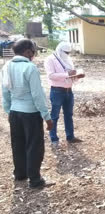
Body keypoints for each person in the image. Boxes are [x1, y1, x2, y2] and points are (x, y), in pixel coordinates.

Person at [1, 39, 54, 188]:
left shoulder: (6, 66)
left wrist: (9, 111)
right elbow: (37, 95)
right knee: (34, 146)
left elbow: (5, 92)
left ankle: (20, 174)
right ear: (27, 51)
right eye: (33, 51)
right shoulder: (30, 68)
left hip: (15, 112)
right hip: (30, 113)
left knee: (18, 144)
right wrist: (47, 117)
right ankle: (35, 180)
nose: (34, 54)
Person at [44, 42, 85, 146]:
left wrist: (77, 76)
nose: (67, 54)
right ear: (60, 50)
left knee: (69, 115)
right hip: (57, 91)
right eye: (66, 52)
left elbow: (71, 74)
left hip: (68, 91)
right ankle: (54, 139)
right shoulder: (50, 59)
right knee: (54, 116)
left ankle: (70, 137)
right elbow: (51, 75)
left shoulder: (68, 59)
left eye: (69, 52)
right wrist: (67, 74)